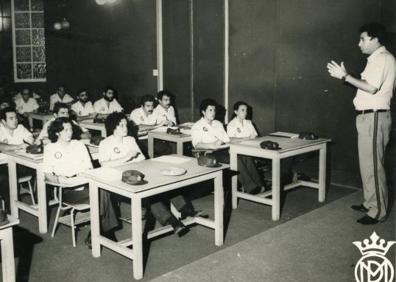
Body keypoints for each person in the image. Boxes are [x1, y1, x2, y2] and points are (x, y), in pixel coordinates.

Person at [327, 22, 395, 225]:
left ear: (375, 39)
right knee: (367, 164)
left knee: (374, 165)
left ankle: (378, 211)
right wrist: (347, 78)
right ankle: (370, 202)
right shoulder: (376, 59)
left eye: (363, 39)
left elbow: (372, 89)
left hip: (374, 117)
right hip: (367, 117)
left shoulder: (382, 59)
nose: (359, 43)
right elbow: (368, 86)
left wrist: (346, 76)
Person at [99, 112, 205, 236]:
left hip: (138, 173)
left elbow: (142, 159)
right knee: (150, 193)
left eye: (125, 125)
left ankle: (186, 210)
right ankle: (172, 221)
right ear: (113, 128)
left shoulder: (130, 140)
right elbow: (104, 164)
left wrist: (132, 161)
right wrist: (127, 158)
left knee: (165, 181)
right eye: (121, 125)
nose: (125, 128)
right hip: (119, 181)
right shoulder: (105, 143)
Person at [42, 117, 118, 243]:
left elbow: (89, 168)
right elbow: (48, 174)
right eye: (65, 130)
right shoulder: (50, 148)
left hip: (83, 181)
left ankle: (97, 233)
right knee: (102, 193)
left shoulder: (79, 145)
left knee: (103, 190)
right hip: (66, 189)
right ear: (57, 133)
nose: (69, 132)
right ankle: (104, 232)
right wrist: (62, 181)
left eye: (70, 129)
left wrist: (82, 177)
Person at [191, 99, 265, 194]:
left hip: (224, 149)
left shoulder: (218, 124)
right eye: (210, 110)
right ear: (203, 112)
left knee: (246, 156)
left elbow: (226, 139)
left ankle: (260, 184)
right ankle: (251, 188)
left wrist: (224, 144)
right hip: (209, 153)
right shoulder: (197, 126)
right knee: (235, 159)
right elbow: (197, 145)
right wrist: (212, 145)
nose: (213, 112)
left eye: (214, 110)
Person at [0, 107, 34, 212]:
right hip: (2, 165)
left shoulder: (21, 128)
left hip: (20, 164)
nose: (15, 120)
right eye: (11, 118)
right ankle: (11, 212)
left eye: (15, 117)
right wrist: (17, 146)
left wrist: (31, 142)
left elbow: (31, 140)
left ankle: (41, 202)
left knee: (41, 171)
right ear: (3, 121)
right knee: (5, 178)